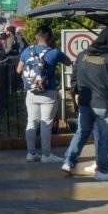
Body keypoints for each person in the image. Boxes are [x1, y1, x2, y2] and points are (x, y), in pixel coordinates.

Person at [61, 27, 108, 181]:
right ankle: (102, 171)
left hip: (85, 102)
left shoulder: (83, 55)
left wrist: (76, 93)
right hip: (104, 103)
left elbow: (75, 77)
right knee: (106, 137)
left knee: (81, 133)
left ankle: (68, 162)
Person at [16, 26, 71, 164]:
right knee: (46, 123)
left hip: (31, 92)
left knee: (32, 121)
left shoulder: (27, 50)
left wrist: (30, 80)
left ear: (36, 36)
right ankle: (46, 155)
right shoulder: (54, 52)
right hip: (48, 91)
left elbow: (18, 70)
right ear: (50, 37)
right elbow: (68, 62)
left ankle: (31, 153)